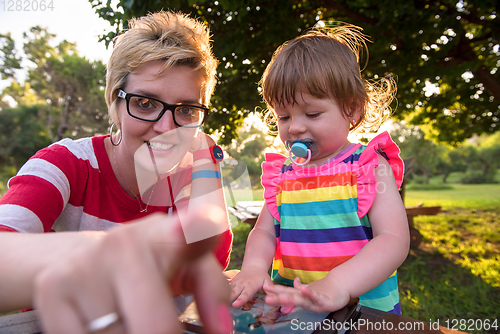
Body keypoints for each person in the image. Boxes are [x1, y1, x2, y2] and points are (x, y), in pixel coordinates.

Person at [0, 10, 233, 333]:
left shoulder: (192, 168)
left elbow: (208, 259)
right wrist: (93, 256)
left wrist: (206, 163)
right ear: (115, 102)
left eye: (186, 110)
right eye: (146, 104)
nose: (167, 128)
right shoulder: (64, 164)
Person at [230, 25, 410, 315]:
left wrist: (339, 283)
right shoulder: (284, 175)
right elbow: (264, 232)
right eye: (284, 117)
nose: (295, 127)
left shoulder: (368, 166)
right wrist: (253, 267)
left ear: (352, 109)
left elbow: (393, 239)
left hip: (361, 315)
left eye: (312, 113)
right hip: (292, 312)